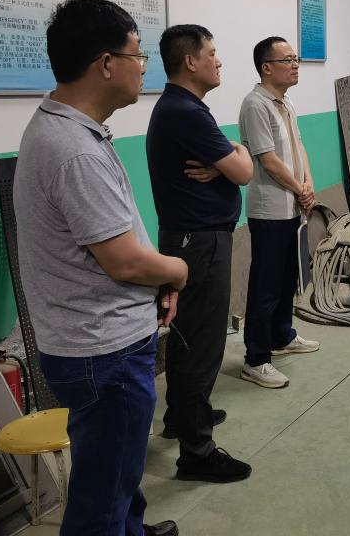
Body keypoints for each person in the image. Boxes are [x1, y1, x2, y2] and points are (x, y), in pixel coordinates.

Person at [13, 0, 186, 536]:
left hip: (95, 340)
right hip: (103, 350)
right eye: (138, 55)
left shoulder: (66, 129)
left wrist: (156, 279)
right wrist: (176, 270)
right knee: (101, 499)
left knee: (117, 472)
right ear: (106, 64)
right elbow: (124, 261)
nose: (143, 68)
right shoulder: (75, 151)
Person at [145, 24, 253, 483]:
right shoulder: (186, 113)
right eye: (211, 52)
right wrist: (234, 157)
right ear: (190, 61)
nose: (218, 60)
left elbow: (235, 162)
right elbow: (244, 171)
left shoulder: (180, 109)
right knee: (202, 345)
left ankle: (181, 416)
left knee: (189, 338)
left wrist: (230, 158)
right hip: (199, 243)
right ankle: (197, 452)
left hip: (193, 239)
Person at [237, 37, 320, 388]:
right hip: (270, 210)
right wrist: (300, 188)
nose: (295, 65)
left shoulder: (285, 103)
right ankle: (256, 359)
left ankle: (282, 335)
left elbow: (298, 145)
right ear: (266, 67)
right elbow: (268, 160)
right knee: (266, 285)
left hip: (293, 206)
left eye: (295, 58)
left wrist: (309, 183)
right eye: (288, 60)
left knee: (288, 278)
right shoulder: (255, 105)